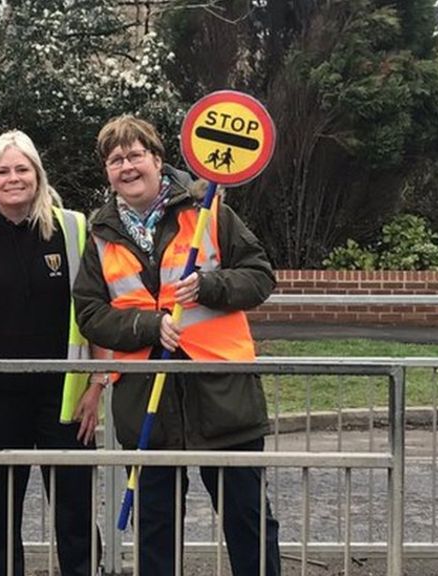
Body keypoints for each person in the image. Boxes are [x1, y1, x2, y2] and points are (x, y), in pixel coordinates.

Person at [73, 115, 281, 576]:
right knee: (156, 532)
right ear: (107, 173)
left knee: (248, 524)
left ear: (157, 159)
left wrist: (210, 286)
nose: (126, 166)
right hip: (147, 404)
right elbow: (90, 313)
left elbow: (260, 276)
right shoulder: (101, 237)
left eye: (135, 155)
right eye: (115, 159)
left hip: (223, 399)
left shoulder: (209, 213)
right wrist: (149, 327)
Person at [0, 130, 104, 576]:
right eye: (3, 171)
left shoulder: (74, 229)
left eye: (22, 169)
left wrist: (100, 382)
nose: (13, 178)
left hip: (65, 400)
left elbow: (95, 310)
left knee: (76, 514)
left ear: (38, 175)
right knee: (0, 518)